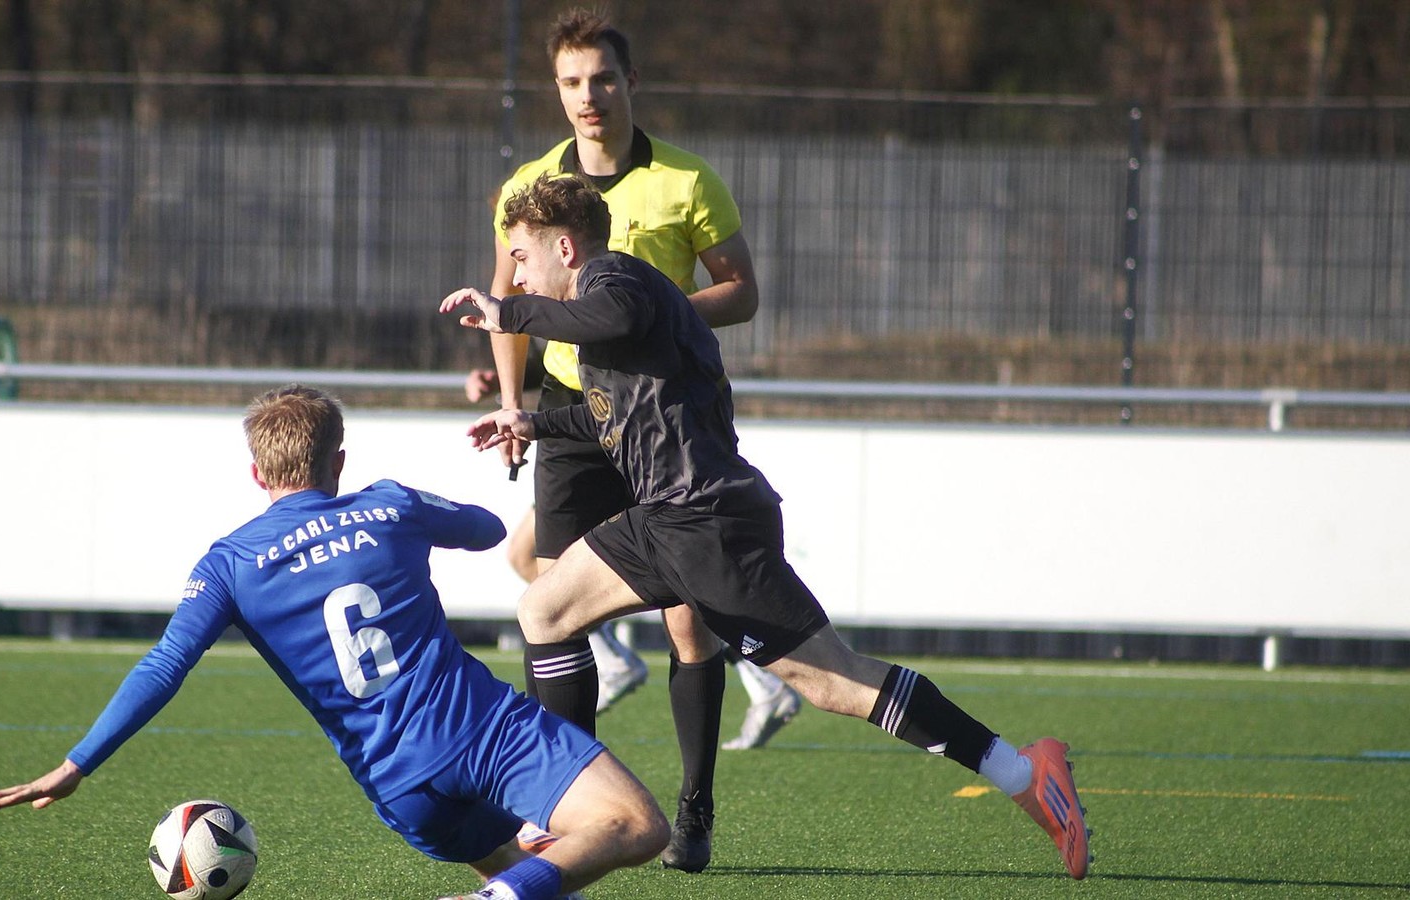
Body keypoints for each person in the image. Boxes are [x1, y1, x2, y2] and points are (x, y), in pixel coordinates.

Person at [440, 175, 1093, 881]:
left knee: (835, 683)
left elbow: (616, 320)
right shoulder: (606, 311)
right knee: (545, 607)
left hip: (709, 523)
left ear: (563, 248)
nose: (517, 271)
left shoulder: (616, 280)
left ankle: (1024, 774)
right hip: (664, 520)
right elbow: (610, 415)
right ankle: (561, 811)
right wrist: (532, 421)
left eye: (522, 256)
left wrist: (511, 313)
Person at [0, 384, 669, 900]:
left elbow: (165, 666)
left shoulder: (229, 563)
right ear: (338, 460)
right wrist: (415, 506)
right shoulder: (389, 504)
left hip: (401, 787)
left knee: (543, 882)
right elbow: (490, 530)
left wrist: (76, 765)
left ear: (258, 474)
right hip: (481, 729)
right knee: (637, 826)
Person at [484, 8, 798, 870]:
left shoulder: (688, 181)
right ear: (557, 90)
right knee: (553, 605)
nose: (590, 96)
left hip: (663, 426)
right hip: (575, 423)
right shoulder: (526, 190)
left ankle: (693, 810)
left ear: (630, 83)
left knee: (687, 626)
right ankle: (566, 806)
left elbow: (742, 290)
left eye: (604, 79)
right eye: (573, 82)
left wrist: (655, 317)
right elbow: (511, 303)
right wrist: (511, 401)